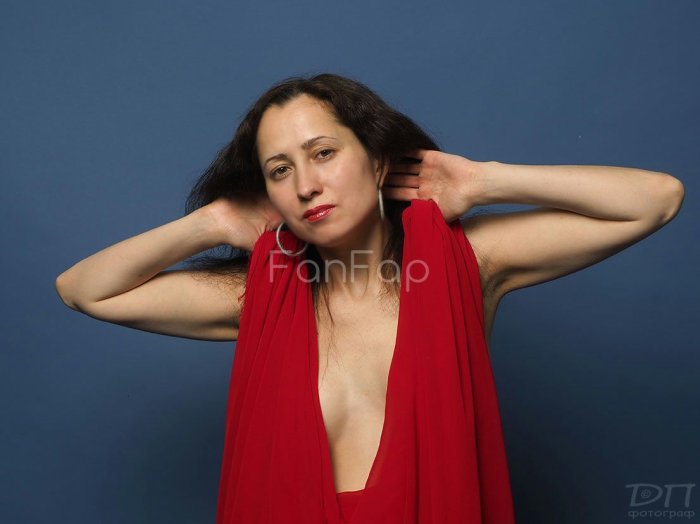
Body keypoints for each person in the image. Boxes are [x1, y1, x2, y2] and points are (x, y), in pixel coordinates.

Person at [55, 73, 685, 523]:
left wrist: (484, 181)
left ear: (379, 162)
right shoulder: (258, 296)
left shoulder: (468, 263)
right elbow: (84, 290)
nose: (306, 185)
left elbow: (656, 199)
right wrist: (212, 223)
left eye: (323, 153)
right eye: (280, 171)